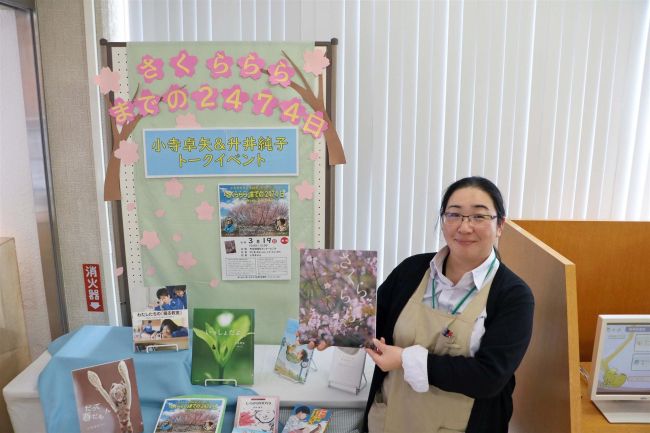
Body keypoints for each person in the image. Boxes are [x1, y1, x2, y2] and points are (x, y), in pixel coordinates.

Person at [361, 176, 535, 433]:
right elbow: (371, 324)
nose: (464, 227)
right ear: (443, 221)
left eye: (478, 216)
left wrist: (405, 359)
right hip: (392, 417)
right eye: (454, 215)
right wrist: (332, 333)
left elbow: (490, 377)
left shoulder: (514, 296)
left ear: (500, 225)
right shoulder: (412, 270)